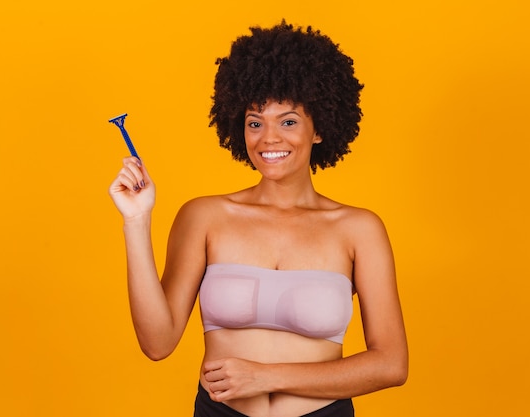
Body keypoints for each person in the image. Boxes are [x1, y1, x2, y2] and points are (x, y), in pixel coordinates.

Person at [109, 21, 408, 417]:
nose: (268, 138)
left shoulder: (358, 229)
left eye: (288, 121)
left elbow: (391, 364)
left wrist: (267, 376)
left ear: (318, 129)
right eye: (255, 122)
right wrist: (136, 220)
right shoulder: (204, 217)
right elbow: (157, 343)